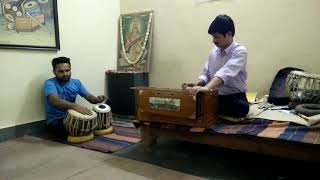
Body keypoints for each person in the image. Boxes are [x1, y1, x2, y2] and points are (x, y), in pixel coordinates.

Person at [183, 14, 249, 118]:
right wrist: (198, 84)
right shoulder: (214, 51)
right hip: (214, 95)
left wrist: (207, 87)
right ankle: (213, 109)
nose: (214, 41)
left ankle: (213, 110)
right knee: (190, 103)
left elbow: (225, 73)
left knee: (241, 108)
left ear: (229, 34)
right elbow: (206, 73)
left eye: (217, 37)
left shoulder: (240, 51)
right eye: (213, 37)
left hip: (233, 97)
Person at [44, 57, 107, 139]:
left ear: (70, 69)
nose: (65, 74)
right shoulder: (50, 83)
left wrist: (98, 99)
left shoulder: (76, 82)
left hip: (74, 116)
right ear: (54, 72)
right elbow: (56, 101)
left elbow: (90, 98)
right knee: (64, 131)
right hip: (57, 119)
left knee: (98, 123)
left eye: (67, 70)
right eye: (61, 71)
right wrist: (76, 106)